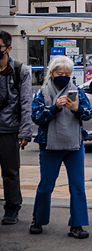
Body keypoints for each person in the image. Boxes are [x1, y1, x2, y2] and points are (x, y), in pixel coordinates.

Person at [29, 55, 92, 239]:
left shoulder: (77, 91)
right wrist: (55, 108)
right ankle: (38, 219)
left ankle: (77, 225)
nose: (63, 76)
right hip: (49, 145)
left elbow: (89, 114)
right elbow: (36, 117)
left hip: (75, 144)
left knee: (77, 186)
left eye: (67, 73)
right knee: (46, 185)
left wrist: (77, 109)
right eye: (60, 73)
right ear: (51, 73)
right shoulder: (42, 93)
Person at [0, 30, 32, 226]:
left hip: (10, 129)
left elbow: (26, 102)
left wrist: (25, 131)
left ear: (8, 48)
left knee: (10, 172)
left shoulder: (21, 70)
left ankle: (12, 207)